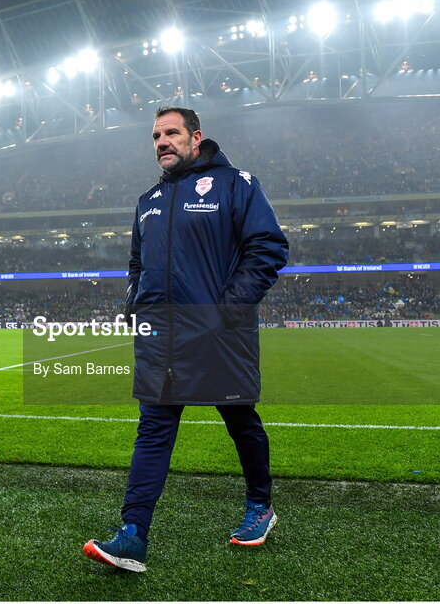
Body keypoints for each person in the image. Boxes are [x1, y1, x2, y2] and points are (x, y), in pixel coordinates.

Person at [83, 107, 289, 572]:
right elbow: (136, 264)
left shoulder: (236, 184)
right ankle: (133, 535)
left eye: (171, 133)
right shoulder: (148, 200)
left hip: (220, 335)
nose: (161, 141)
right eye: (156, 135)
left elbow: (269, 247)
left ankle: (261, 506)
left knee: (240, 421)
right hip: (161, 339)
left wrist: (226, 310)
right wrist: (135, 303)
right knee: (153, 429)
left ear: (196, 137)